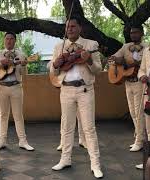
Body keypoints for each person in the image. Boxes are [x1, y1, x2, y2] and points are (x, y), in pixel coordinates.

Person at [50, 16, 103, 178]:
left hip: (85, 90)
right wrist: (55, 64)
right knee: (66, 127)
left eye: (73, 26)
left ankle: (95, 163)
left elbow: (98, 70)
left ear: (80, 28)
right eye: (67, 27)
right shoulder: (60, 46)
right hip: (65, 90)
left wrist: (88, 61)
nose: (70, 29)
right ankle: (65, 159)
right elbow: (53, 71)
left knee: (89, 128)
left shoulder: (91, 44)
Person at [0, 32, 34, 151]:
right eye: (7, 38)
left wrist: (23, 65)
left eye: (11, 39)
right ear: (4, 40)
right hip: (2, 87)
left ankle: (23, 141)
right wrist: (0, 63)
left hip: (16, 87)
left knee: (18, 115)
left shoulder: (21, 54)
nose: (9, 41)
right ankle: (1, 141)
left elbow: (24, 73)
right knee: (3, 115)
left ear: (15, 41)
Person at [110, 26, 146, 152]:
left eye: (136, 32)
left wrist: (134, 63)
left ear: (142, 33)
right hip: (128, 83)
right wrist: (118, 60)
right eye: (131, 33)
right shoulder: (126, 47)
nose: (133, 35)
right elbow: (114, 58)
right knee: (132, 112)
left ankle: (139, 140)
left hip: (140, 83)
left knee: (139, 112)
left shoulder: (148, 48)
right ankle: (139, 137)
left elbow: (148, 63)